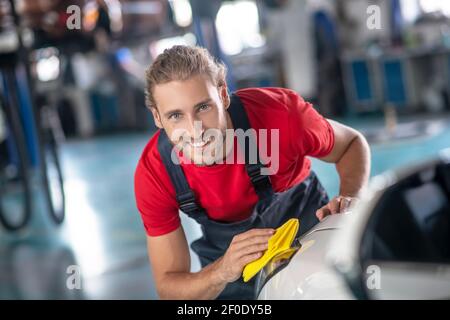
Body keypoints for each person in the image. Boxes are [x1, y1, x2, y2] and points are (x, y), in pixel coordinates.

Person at [134, 45, 371, 299]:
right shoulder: (155, 174)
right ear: (157, 118)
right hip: (226, 265)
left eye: (203, 107)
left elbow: (351, 144)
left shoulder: (282, 116)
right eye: (176, 116)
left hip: (310, 232)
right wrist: (221, 271)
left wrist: (351, 198)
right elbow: (169, 289)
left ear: (223, 95)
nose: (195, 130)